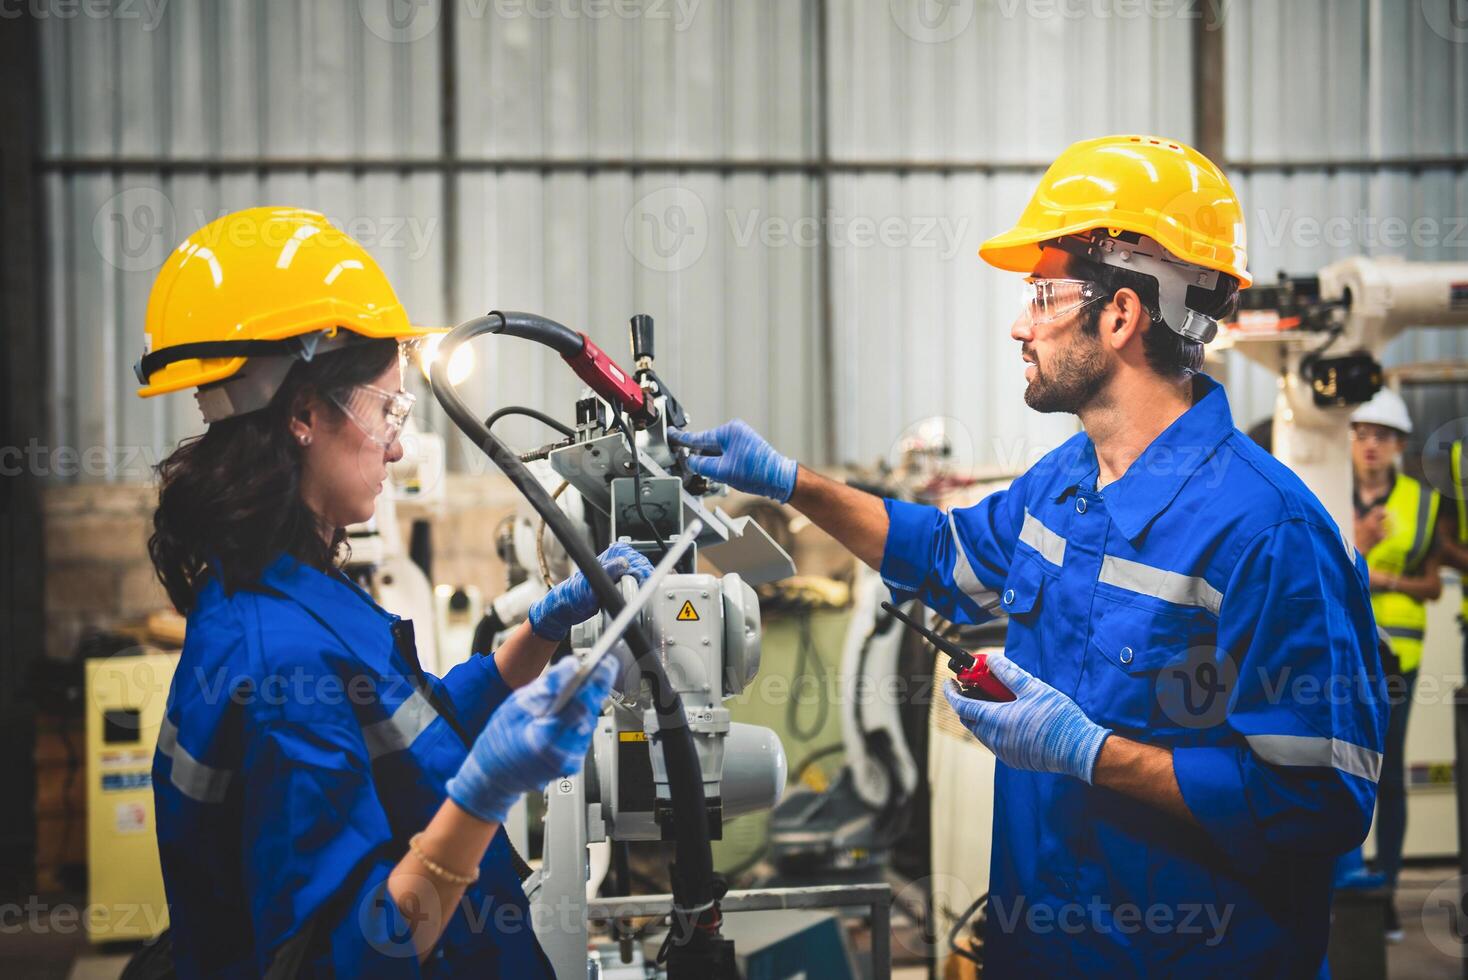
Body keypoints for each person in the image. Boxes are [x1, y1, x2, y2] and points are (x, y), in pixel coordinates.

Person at [671, 135, 1387, 974]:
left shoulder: (1268, 532)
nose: (1020, 324)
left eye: (1044, 296)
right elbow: (944, 554)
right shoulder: (1065, 480)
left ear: (1120, 316)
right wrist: (792, 482)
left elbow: (1321, 803)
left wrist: (1092, 754)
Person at [137, 207, 650, 976]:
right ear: (303, 414)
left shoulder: (289, 585)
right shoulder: (280, 665)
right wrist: (484, 796)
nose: (401, 442)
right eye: (388, 409)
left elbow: (410, 731)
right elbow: (350, 956)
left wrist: (538, 634)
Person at [1338, 387, 1441, 939]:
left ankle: (1387, 896)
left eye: (1381, 435)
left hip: (1401, 658)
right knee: (1342, 767)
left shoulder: (1422, 504)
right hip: (1344, 654)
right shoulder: (1325, 488)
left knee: (1391, 774)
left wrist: (1381, 577)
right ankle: (1344, 883)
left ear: (1399, 444)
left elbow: (1432, 585)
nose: (1369, 445)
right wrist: (1358, 544)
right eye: (1360, 433)